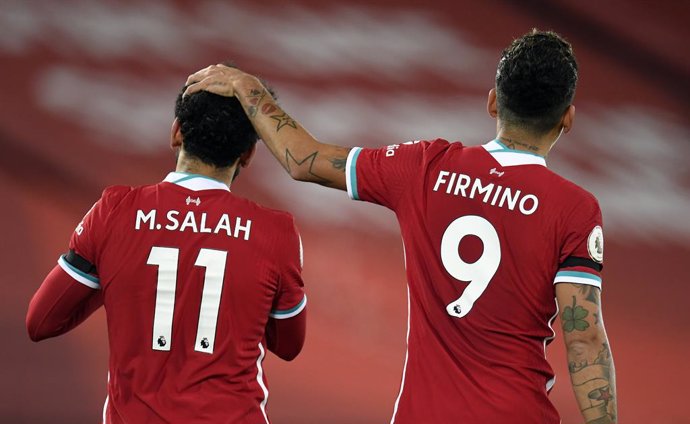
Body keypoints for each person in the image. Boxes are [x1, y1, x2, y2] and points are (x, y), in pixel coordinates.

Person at [183, 29, 617, 423]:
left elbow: (303, 161)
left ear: (492, 102)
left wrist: (248, 87)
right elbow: (584, 341)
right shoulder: (574, 210)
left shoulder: (425, 167)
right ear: (568, 119)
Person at [26, 77, 307, 424]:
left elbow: (41, 321)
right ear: (248, 154)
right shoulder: (275, 231)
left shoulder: (115, 211)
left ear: (176, 132)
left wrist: (115, 270)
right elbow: (289, 345)